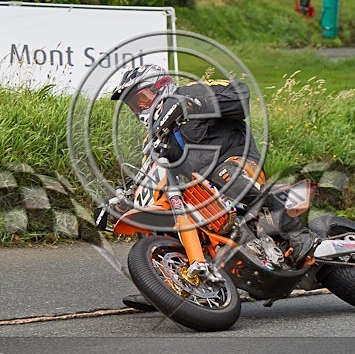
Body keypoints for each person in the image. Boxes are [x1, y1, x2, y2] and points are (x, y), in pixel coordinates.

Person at [111, 65, 314, 309]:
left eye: (143, 99)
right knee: (155, 216)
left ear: (161, 86)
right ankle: (168, 283)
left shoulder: (194, 92)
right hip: (201, 192)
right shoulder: (153, 139)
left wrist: (193, 104)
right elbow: (152, 177)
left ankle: (298, 235)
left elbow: (240, 97)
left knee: (224, 175)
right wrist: (125, 202)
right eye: (135, 104)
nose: (141, 108)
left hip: (236, 162)